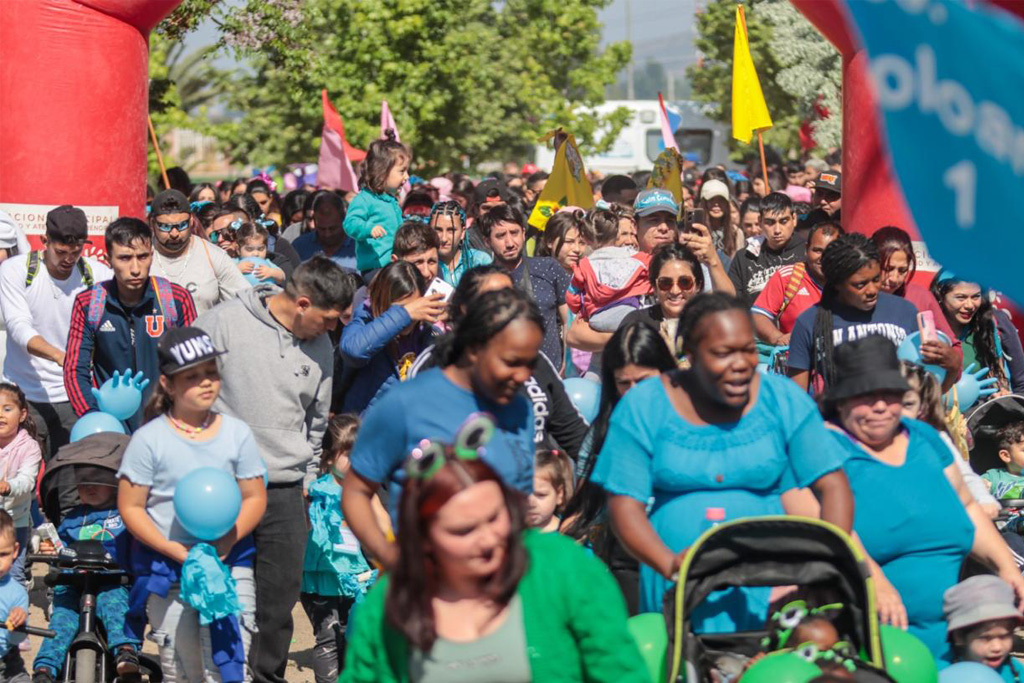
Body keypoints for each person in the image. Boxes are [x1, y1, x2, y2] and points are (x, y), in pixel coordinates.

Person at [593, 293, 854, 621]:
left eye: (747, 349)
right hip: (674, 586)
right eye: (722, 353)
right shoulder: (644, 404)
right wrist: (669, 564)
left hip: (771, 589)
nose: (741, 363)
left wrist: (824, 564)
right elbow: (623, 506)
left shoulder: (784, 398)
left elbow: (834, 486)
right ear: (689, 353)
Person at [339, 447, 649, 683]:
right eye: (463, 530)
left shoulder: (563, 569)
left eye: (494, 518)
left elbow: (621, 672)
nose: (487, 540)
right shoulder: (390, 601)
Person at [194, 257, 356, 683]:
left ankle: (266, 677)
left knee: (278, 603)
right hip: (222, 487)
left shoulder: (322, 347)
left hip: (284, 491)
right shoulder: (222, 324)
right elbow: (186, 393)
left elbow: (317, 422)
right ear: (302, 303)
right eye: (328, 319)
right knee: (216, 595)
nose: (332, 329)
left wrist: (304, 481)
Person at [823, 336, 1024, 660]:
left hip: (958, 637)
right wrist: (873, 581)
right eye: (864, 395)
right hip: (877, 640)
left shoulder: (926, 438)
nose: (879, 406)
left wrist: (1007, 569)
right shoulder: (826, 449)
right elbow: (830, 530)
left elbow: (968, 507)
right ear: (840, 401)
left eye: (889, 394)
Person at [343, 288, 543, 572]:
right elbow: (355, 492)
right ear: (474, 349)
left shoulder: (521, 410)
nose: (524, 376)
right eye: (511, 362)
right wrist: (391, 559)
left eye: (530, 363)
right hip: (424, 597)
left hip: (501, 593)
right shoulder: (405, 404)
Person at [118, 326, 267, 681]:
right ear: (168, 384)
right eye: (193, 376)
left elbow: (255, 496)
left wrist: (229, 540)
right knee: (181, 671)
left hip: (230, 566)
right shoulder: (148, 439)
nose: (206, 383)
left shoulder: (237, 433)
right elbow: (131, 507)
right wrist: (172, 549)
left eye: (211, 373)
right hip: (167, 569)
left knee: (232, 666)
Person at [408, 266, 589, 460]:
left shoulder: (536, 360)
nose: (506, 307)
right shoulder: (433, 366)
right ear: (465, 308)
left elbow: (576, 436)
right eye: (493, 300)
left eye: (510, 297)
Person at [561, 321, 677, 615]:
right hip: (627, 562)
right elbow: (584, 507)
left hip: (685, 551)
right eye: (624, 383)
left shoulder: (695, 424)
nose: (633, 392)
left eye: (644, 380)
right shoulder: (601, 435)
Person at [0, 205, 112, 461]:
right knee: (17, 488)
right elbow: (19, 327)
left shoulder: (99, 275)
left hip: (75, 397)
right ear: (44, 241)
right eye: (61, 251)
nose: (68, 260)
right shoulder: (16, 270)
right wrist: (62, 357)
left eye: (76, 252)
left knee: (67, 487)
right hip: (23, 397)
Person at [64, 218, 197, 431]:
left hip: (168, 424)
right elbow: (74, 369)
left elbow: (194, 366)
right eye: (125, 258)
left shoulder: (176, 299)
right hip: (111, 427)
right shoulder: (89, 303)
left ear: (152, 256)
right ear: (108, 260)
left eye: (142, 257)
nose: (135, 268)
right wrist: (92, 416)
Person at [32, 445, 140, 683]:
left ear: (115, 481)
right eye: (82, 483)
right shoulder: (72, 518)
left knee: (114, 604)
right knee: (62, 618)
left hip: (112, 580)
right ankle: (45, 668)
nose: (88, 487)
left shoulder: (125, 513)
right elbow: (62, 547)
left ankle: (125, 651)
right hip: (73, 581)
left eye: (96, 481)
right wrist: (53, 550)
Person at [788, 233, 920, 394]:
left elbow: (926, 388)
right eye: (860, 284)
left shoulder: (905, 311)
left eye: (876, 279)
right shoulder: (809, 322)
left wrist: (953, 366)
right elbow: (796, 398)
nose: (872, 290)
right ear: (837, 284)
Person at [301, 414, 378, 683]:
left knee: (350, 634)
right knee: (327, 638)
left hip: (356, 577)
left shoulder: (364, 491)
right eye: (349, 454)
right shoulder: (319, 491)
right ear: (330, 457)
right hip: (324, 577)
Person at [899, 362, 1000, 518]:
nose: (898, 411)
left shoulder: (933, 437)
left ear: (922, 406)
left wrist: (984, 499)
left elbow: (965, 476)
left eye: (908, 404)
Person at [337, 261, 440, 414]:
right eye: (401, 307)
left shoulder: (426, 333)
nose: (410, 317)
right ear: (383, 300)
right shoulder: (366, 318)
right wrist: (403, 315)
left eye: (414, 307)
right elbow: (352, 351)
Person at [478, 204, 570, 366]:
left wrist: (566, 363)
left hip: (551, 374)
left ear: (523, 233)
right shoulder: (481, 280)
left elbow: (569, 319)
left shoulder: (549, 267)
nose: (510, 243)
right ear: (486, 242)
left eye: (514, 233)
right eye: (500, 236)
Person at [873, 226, 961, 380]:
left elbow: (953, 346)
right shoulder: (856, 298)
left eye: (902, 270)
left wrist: (949, 358)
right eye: (887, 269)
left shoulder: (920, 297)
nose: (894, 278)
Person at [148, 189, 251, 315]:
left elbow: (247, 303)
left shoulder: (214, 256)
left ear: (191, 221)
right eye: (165, 227)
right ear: (153, 223)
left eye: (181, 225)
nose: (174, 233)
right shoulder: (140, 256)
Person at [931, 270, 1024, 395]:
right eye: (961, 297)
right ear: (940, 296)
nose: (970, 305)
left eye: (976, 296)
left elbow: (1021, 384)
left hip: (987, 412)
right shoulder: (928, 328)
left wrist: (1005, 399)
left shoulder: (995, 322)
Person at [752, 220, 844, 346]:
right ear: (806, 249)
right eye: (817, 250)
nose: (823, 257)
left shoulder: (852, 281)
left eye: (831, 251)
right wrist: (779, 338)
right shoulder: (787, 277)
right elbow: (758, 315)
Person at [343, 131, 409, 278]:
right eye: (402, 171)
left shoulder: (391, 200)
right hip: (375, 269)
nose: (407, 176)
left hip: (395, 265)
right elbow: (350, 223)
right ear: (382, 171)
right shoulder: (364, 199)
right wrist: (368, 228)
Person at [620, 243, 704, 359]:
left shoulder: (709, 325)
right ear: (654, 286)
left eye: (685, 282)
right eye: (665, 283)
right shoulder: (636, 324)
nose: (675, 291)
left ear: (698, 285)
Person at [728, 192, 806, 308]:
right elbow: (733, 302)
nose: (777, 230)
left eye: (783, 221)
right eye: (770, 222)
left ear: (794, 219)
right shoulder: (745, 257)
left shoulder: (807, 253)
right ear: (760, 221)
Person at [0, 384, 41, 590]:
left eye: (7, 409)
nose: (0, 415)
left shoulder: (30, 447)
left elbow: (27, 481)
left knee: (13, 573)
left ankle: (16, 618)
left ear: (22, 414)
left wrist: (8, 487)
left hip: (16, 522)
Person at [944, 576, 1024, 675]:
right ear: (959, 636)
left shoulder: (1015, 671)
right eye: (985, 638)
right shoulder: (941, 673)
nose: (997, 647)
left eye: (1003, 636)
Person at [429, 201, 491, 287]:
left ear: (462, 232)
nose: (444, 238)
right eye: (438, 230)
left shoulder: (479, 261)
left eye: (451, 230)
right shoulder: (425, 264)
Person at [293, 191, 357, 272]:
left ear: (343, 220)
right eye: (322, 229)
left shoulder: (360, 247)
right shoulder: (300, 246)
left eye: (332, 228)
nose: (327, 234)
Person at [389, 221, 452, 300]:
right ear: (395, 262)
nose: (426, 273)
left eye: (431, 262)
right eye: (418, 263)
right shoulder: (377, 302)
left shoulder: (446, 298)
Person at [0, 511, 28, 683]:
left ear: (15, 550)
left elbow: (17, 640)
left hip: (7, 665)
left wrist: (19, 624)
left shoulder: (17, 592)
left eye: (2, 554)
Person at [526, 448, 575, 533]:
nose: (531, 503)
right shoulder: (508, 533)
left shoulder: (569, 536)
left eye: (541, 495)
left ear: (560, 495)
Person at [536, 209, 591, 274]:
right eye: (569, 242)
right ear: (550, 241)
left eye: (582, 243)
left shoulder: (591, 277)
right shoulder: (534, 276)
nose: (577, 249)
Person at [698, 178, 742, 258]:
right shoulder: (696, 230)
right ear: (704, 203)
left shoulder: (736, 232)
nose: (716, 204)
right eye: (712, 200)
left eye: (721, 200)